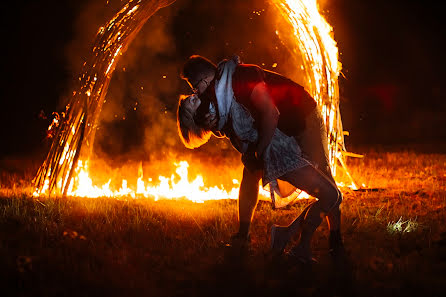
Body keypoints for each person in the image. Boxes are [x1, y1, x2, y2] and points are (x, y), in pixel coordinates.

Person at [178, 55, 344, 262]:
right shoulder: (217, 95)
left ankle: (335, 239)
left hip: (300, 114)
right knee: (251, 172)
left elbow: (270, 113)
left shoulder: (240, 77)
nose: (195, 93)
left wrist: (261, 152)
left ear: (204, 80)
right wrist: (254, 154)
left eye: (195, 88)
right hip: (273, 138)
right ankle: (245, 233)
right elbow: (228, 126)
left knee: (326, 180)